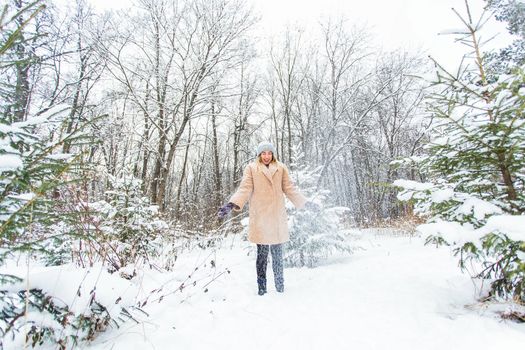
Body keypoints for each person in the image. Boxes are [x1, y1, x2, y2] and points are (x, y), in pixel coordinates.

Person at [218, 141, 307, 296]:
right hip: (261, 218)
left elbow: (289, 188)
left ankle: (280, 288)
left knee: (278, 256)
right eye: (263, 153)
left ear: (273, 154)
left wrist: (303, 203)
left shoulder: (281, 168)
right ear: (259, 155)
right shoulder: (252, 168)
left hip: (277, 218)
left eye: (269, 153)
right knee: (262, 256)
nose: (266, 156)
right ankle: (262, 288)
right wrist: (232, 204)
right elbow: (245, 188)